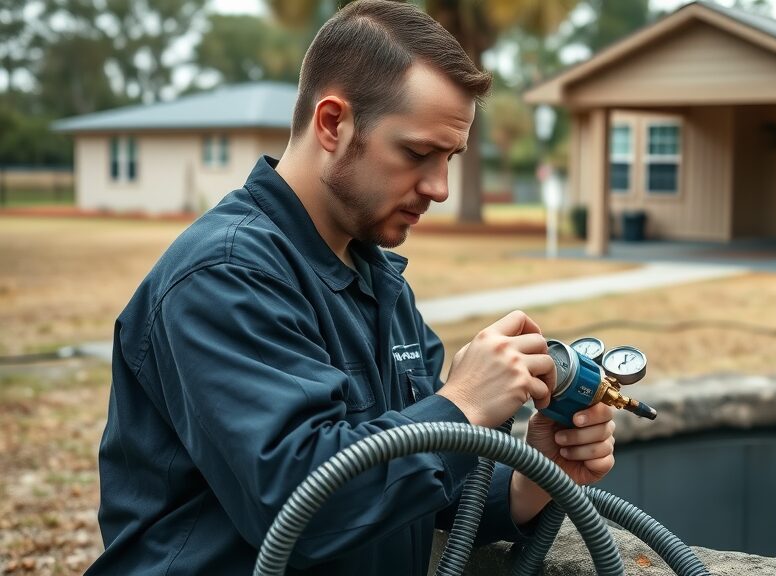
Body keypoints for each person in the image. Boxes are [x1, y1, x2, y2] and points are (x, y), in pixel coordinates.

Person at [85, 1, 616, 574]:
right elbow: (303, 508)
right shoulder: (225, 274)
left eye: (450, 158)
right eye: (416, 153)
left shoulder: (380, 282)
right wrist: (461, 404)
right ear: (333, 122)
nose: (439, 187)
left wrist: (535, 474)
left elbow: (409, 493)